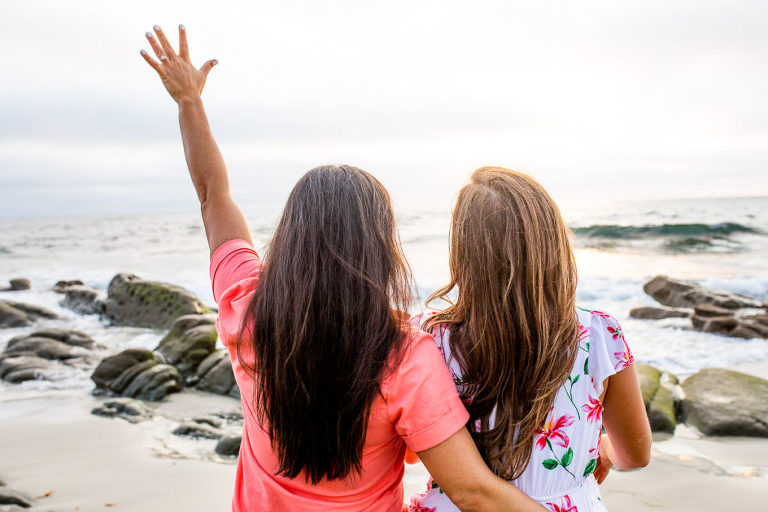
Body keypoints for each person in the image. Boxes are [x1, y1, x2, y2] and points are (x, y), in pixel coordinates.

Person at [140, 26, 546, 512]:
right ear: (381, 248)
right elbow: (472, 491)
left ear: (289, 238)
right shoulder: (404, 357)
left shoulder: (245, 306)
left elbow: (212, 195)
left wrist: (189, 101)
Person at [407, 167, 651, 512]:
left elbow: (416, 453)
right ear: (553, 242)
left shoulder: (427, 338)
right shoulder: (599, 333)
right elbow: (636, 454)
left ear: (463, 252)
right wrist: (603, 449)